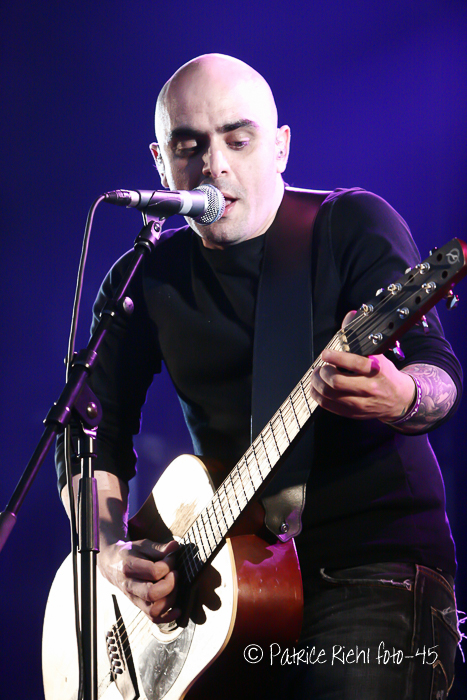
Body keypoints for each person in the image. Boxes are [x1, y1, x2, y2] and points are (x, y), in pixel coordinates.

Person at [57, 54, 462, 698]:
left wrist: (402, 396)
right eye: (189, 146)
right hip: (231, 593)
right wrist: (108, 550)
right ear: (161, 163)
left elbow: (436, 372)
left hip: (368, 568)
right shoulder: (147, 276)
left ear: (280, 147)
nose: (214, 165)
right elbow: (88, 437)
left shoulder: (349, 225)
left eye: (238, 140)